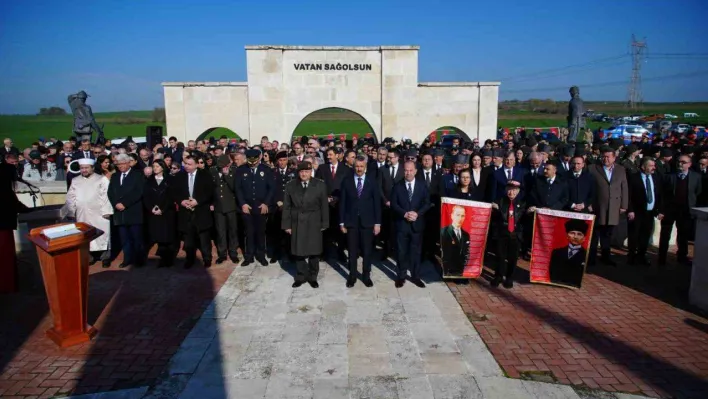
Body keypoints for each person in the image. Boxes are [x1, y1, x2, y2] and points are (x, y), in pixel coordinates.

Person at [282, 161, 329, 288]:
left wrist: (324, 222)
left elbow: (324, 205)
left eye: (307, 172)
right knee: (299, 250)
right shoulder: (291, 186)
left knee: (314, 251)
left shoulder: (320, 185)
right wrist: (287, 225)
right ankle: (301, 276)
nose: (304, 174)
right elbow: (286, 207)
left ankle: (313, 276)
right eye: (302, 172)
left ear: (311, 172)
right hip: (297, 221)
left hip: (314, 220)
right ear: (298, 172)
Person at [339, 156, 382, 288]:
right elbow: (343, 203)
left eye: (361, 166)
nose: (359, 169)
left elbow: (377, 204)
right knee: (352, 251)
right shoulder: (346, 181)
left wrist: (377, 223)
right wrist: (341, 222)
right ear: (354, 167)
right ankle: (352, 276)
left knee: (367, 251)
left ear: (366, 167)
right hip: (351, 222)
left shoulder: (372, 182)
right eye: (357, 166)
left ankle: (366, 275)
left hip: (368, 222)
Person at [63, 158, 113, 267]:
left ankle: (105, 257)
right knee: (85, 235)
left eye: (86, 168)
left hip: (99, 213)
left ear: (92, 168)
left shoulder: (101, 179)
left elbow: (106, 196)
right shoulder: (75, 180)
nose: (84, 170)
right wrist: (71, 211)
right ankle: (89, 257)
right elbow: (70, 197)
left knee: (103, 234)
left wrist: (106, 211)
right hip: (82, 213)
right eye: (82, 168)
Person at [390, 161, 432, 288]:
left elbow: (427, 203)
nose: (408, 173)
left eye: (410, 170)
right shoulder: (397, 186)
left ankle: (415, 276)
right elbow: (394, 204)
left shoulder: (422, 185)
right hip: (402, 225)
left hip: (417, 225)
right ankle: (401, 276)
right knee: (401, 252)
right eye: (406, 170)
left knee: (416, 252)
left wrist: (417, 214)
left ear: (415, 171)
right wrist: (404, 214)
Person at [658, 154, 702, 266]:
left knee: (683, 235)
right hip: (670, 210)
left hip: (686, 211)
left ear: (689, 164)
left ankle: (682, 256)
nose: (680, 164)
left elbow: (697, 193)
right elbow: (663, 194)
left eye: (683, 162)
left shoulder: (696, 177)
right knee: (665, 235)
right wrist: (662, 210)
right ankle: (662, 257)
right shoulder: (669, 176)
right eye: (678, 161)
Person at [588, 146, 628, 266]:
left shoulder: (621, 169)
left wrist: (624, 205)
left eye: (608, 157)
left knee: (608, 233)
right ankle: (591, 258)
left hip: (613, 206)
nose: (605, 159)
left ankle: (606, 256)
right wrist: (589, 204)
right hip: (597, 206)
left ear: (614, 158)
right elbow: (588, 187)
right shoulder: (593, 168)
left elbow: (624, 187)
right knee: (595, 234)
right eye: (603, 156)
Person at [173, 156, 215, 268]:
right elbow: (174, 192)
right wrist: (181, 201)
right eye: (185, 163)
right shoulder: (179, 176)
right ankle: (190, 259)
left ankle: (207, 258)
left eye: (189, 164)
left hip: (201, 211)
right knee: (188, 239)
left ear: (196, 164)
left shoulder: (205, 175)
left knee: (204, 238)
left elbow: (210, 191)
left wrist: (198, 201)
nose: (186, 166)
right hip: (185, 212)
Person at [235, 149, 274, 266]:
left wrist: (266, 203)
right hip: (247, 207)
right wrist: (242, 204)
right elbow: (238, 188)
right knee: (249, 232)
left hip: (261, 206)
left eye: (255, 161)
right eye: (250, 161)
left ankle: (261, 255)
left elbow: (271, 188)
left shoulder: (266, 170)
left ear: (259, 158)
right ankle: (249, 256)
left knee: (261, 232)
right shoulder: (241, 170)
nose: (252, 164)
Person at [107, 153, 145, 268]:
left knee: (136, 238)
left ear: (129, 163)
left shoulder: (138, 175)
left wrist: (125, 203)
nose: (121, 166)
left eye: (123, 163)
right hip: (119, 213)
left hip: (133, 211)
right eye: (118, 164)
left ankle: (139, 259)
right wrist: (116, 204)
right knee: (124, 239)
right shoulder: (115, 177)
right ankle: (127, 259)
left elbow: (138, 192)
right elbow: (110, 193)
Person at [315, 147, 352, 261]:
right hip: (325, 204)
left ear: (337, 155)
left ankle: (340, 252)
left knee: (340, 230)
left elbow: (347, 187)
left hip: (340, 204)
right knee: (325, 230)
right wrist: (325, 197)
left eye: (330, 154)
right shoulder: (322, 168)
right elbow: (317, 185)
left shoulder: (346, 169)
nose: (328, 157)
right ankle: (324, 252)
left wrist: (336, 198)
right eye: (327, 155)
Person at [627, 157, 662, 266]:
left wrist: (660, 210)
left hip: (650, 212)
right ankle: (632, 256)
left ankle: (642, 255)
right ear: (643, 167)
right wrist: (630, 210)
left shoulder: (655, 178)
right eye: (651, 166)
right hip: (636, 212)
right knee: (634, 235)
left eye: (654, 165)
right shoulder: (633, 178)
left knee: (645, 235)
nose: (653, 168)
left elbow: (659, 195)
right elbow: (628, 195)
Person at [143, 160, 177, 268]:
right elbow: (146, 196)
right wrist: (151, 208)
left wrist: (162, 209)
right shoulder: (149, 180)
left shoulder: (170, 180)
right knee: (158, 236)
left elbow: (171, 197)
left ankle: (169, 259)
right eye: (153, 166)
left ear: (162, 167)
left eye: (157, 166)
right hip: (153, 213)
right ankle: (162, 258)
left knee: (168, 237)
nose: (155, 168)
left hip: (166, 213)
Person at [490, 180, 525, 288]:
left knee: (513, 258)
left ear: (518, 191)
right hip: (502, 232)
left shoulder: (522, 203)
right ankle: (498, 276)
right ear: (506, 190)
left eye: (514, 190)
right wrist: (493, 209)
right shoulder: (500, 201)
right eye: (509, 190)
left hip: (515, 234)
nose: (511, 193)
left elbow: (524, 220)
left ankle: (509, 277)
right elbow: (494, 218)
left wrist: (530, 212)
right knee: (500, 256)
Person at [210, 154, 240, 264]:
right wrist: (212, 202)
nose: (222, 168)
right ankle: (222, 254)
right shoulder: (213, 171)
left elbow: (235, 188)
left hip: (231, 206)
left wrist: (227, 175)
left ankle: (233, 252)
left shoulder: (234, 171)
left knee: (233, 230)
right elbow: (211, 188)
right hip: (218, 206)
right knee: (220, 231)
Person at [378, 149, 404, 258]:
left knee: (399, 230)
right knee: (386, 230)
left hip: (400, 206)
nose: (389, 159)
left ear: (397, 158)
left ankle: (398, 251)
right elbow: (379, 187)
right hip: (386, 206)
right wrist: (385, 200)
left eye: (391, 157)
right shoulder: (382, 170)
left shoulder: (404, 170)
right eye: (388, 157)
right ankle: (386, 251)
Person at [548, 219, 589, 288]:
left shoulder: (586, 255)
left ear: (584, 238)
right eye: (572, 233)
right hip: (556, 283)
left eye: (579, 234)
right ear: (567, 235)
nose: (575, 237)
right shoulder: (556, 252)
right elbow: (552, 270)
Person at [440, 205, 471, 276]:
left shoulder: (466, 235)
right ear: (452, 216)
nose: (460, 218)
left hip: (460, 270)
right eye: (458, 215)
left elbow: (466, 252)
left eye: (462, 216)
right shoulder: (444, 231)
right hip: (447, 271)